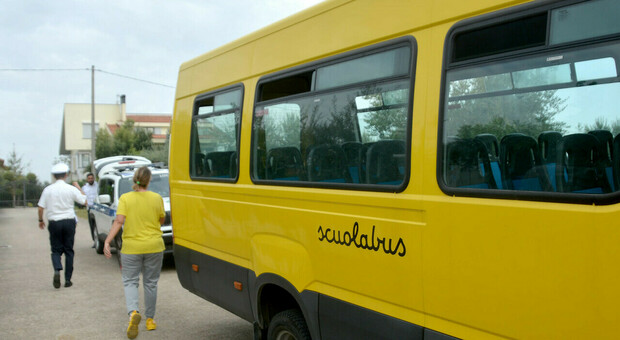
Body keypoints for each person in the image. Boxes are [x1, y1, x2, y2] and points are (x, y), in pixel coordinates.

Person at [104, 166, 165, 339]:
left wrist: (107, 241)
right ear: (149, 180)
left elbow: (119, 221)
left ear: (135, 180)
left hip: (131, 248)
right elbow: (161, 219)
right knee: (151, 283)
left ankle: (133, 314)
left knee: (130, 282)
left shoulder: (125, 198)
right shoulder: (157, 198)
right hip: (154, 245)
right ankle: (150, 320)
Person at [37, 163, 87, 289]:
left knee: (55, 249)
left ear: (54, 176)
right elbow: (84, 201)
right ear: (66, 175)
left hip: (54, 222)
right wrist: (78, 187)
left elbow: (40, 207)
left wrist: (40, 220)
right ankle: (68, 279)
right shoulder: (71, 188)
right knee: (69, 250)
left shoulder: (47, 190)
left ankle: (57, 269)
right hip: (69, 221)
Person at [81, 172, 98, 248]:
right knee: (92, 226)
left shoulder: (98, 185)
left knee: (98, 225)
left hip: (98, 209)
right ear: (87, 179)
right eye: (89, 178)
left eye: (92, 178)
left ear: (94, 178)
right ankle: (95, 241)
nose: (91, 180)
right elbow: (81, 197)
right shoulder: (84, 188)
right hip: (90, 209)